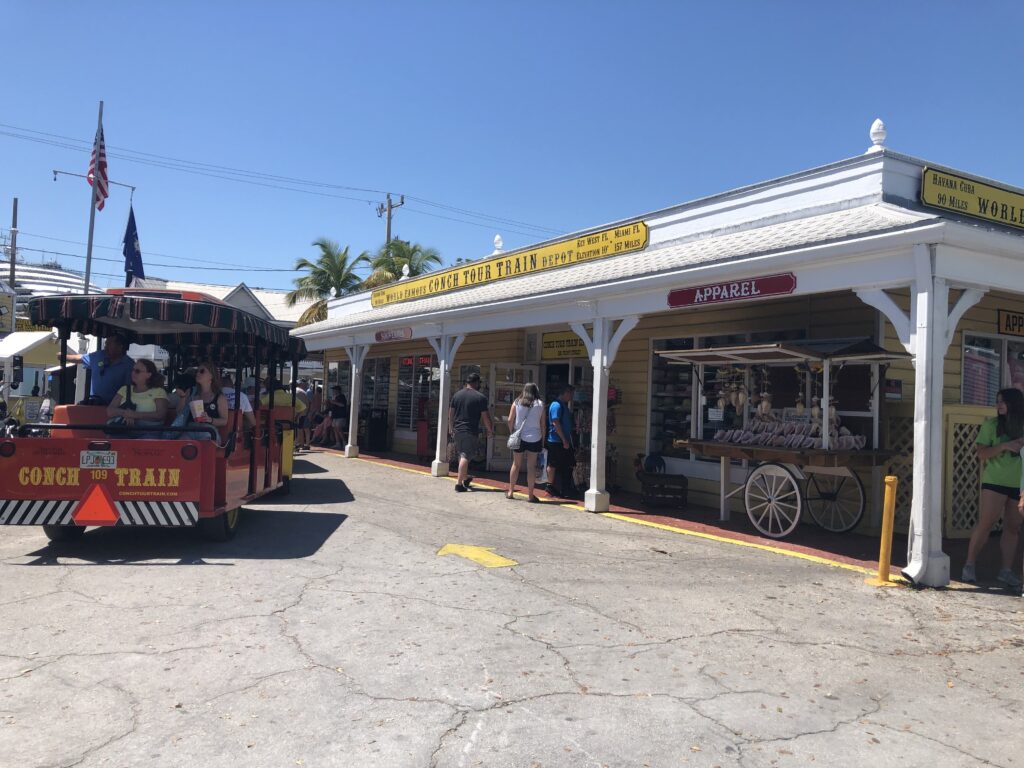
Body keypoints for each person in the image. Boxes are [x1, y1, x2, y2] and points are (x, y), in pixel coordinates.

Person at [963, 388, 1024, 587]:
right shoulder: (991, 425)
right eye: (997, 401)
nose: (998, 405)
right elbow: (982, 453)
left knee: (1012, 527)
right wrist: (1005, 446)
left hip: (1018, 483)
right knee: (986, 523)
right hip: (995, 481)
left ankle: (1005, 571)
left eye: (1003, 402)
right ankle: (969, 565)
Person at [449, 372, 493, 492]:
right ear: (476, 383)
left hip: (457, 430)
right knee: (465, 455)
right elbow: (485, 417)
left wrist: (450, 427)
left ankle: (465, 478)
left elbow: (451, 413)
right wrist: (490, 430)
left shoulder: (456, 395)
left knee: (462, 454)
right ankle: (459, 484)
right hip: (469, 430)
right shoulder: (480, 397)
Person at [106, 359, 169, 438]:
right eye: (133, 370)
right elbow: (110, 411)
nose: (133, 373)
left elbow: (160, 415)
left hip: (149, 431)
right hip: (124, 428)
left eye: (137, 371)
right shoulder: (124, 389)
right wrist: (126, 414)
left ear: (149, 374)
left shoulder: (159, 391)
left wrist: (135, 415)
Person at [505, 382, 546, 502]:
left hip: (519, 437)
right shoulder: (540, 404)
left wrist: (512, 431)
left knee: (516, 465)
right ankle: (530, 495)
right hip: (535, 438)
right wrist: (542, 440)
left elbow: (509, 419)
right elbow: (543, 425)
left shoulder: (517, 402)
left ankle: (511, 491)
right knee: (531, 467)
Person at [67, 333, 133, 405]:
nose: (106, 347)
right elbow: (79, 358)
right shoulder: (98, 356)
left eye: (109, 344)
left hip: (113, 408)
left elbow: (130, 389)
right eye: (106, 344)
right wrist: (63, 356)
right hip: (93, 404)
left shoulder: (129, 365)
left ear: (120, 347)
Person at [173, 361, 228, 439]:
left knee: (206, 440)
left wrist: (209, 419)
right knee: (181, 444)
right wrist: (182, 397)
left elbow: (224, 421)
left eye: (202, 371)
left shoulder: (219, 397)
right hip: (190, 429)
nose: (198, 373)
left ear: (211, 376)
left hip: (208, 430)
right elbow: (179, 413)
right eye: (197, 371)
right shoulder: (191, 392)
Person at [545, 385, 578, 499]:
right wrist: (563, 439)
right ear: (565, 393)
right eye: (570, 394)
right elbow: (555, 422)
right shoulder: (556, 405)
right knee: (553, 463)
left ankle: (565, 488)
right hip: (556, 440)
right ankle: (549, 487)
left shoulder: (564, 406)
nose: (571, 396)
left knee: (568, 464)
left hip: (564, 440)